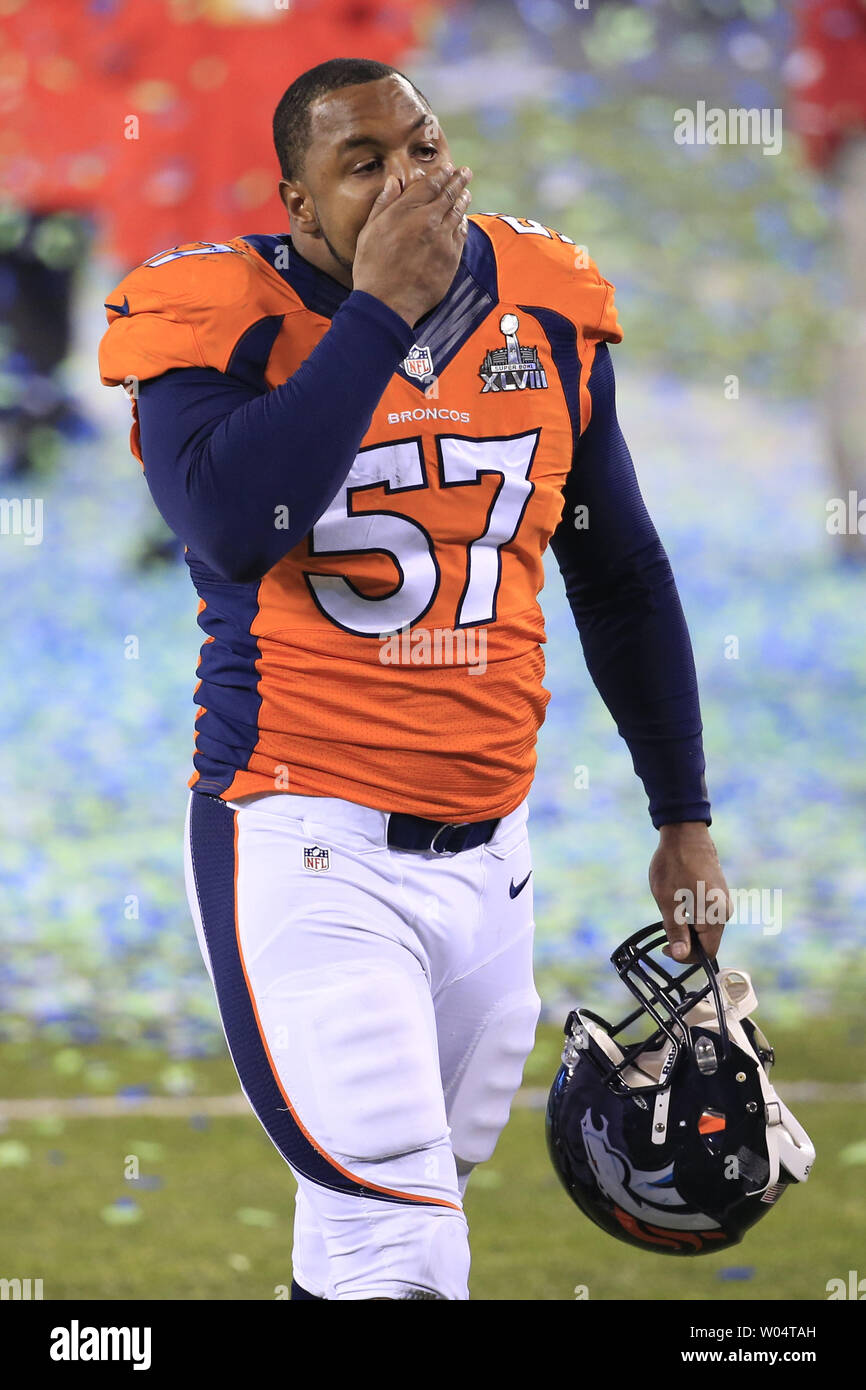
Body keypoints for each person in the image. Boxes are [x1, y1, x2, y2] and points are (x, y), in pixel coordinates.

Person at [99, 56, 730, 1301]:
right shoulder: (211, 315)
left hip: (490, 863)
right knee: (405, 1246)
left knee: (354, 1246)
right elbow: (235, 522)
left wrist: (683, 819)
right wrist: (379, 314)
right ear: (297, 203)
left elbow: (618, 571)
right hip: (301, 838)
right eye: (363, 164)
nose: (407, 182)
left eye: (423, 147)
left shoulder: (543, 301)